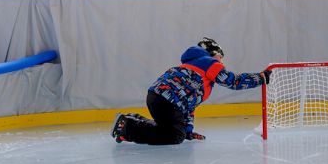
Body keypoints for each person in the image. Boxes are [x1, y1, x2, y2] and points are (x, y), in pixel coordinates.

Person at [111, 37, 271, 144]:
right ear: (214, 53)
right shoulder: (209, 63)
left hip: (157, 97)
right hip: (168, 101)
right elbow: (233, 81)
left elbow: (189, 106)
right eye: (221, 57)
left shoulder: (193, 65)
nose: (222, 62)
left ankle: (130, 120)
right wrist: (260, 78)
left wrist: (187, 130)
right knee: (174, 136)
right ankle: (128, 127)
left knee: (173, 131)